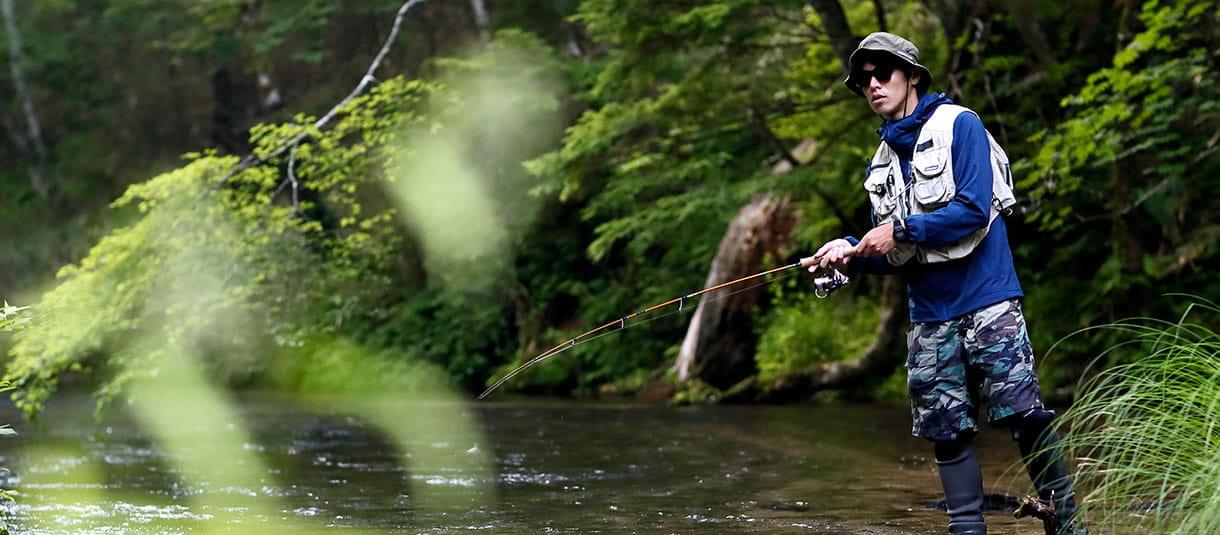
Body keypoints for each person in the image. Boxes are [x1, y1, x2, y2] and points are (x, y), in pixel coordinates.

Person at [799, 32, 1086, 535]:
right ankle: (966, 530)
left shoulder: (961, 125)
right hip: (929, 314)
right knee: (947, 433)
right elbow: (895, 257)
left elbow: (974, 209)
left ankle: (1066, 525)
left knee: (1024, 415)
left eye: (881, 73)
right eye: (862, 79)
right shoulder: (880, 166)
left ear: (912, 76)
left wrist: (899, 229)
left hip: (988, 298)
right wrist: (847, 254)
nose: (871, 85)